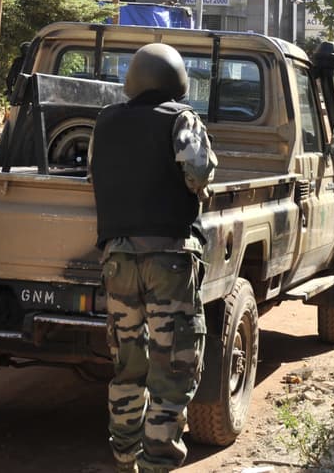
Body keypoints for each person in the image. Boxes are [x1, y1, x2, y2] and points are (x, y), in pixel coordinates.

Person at [89, 42, 218, 473]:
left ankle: (126, 458)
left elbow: (95, 173)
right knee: (173, 365)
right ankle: (160, 462)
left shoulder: (104, 122)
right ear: (176, 82)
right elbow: (199, 173)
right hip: (168, 258)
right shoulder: (181, 119)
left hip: (117, 259)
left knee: (128, 365)